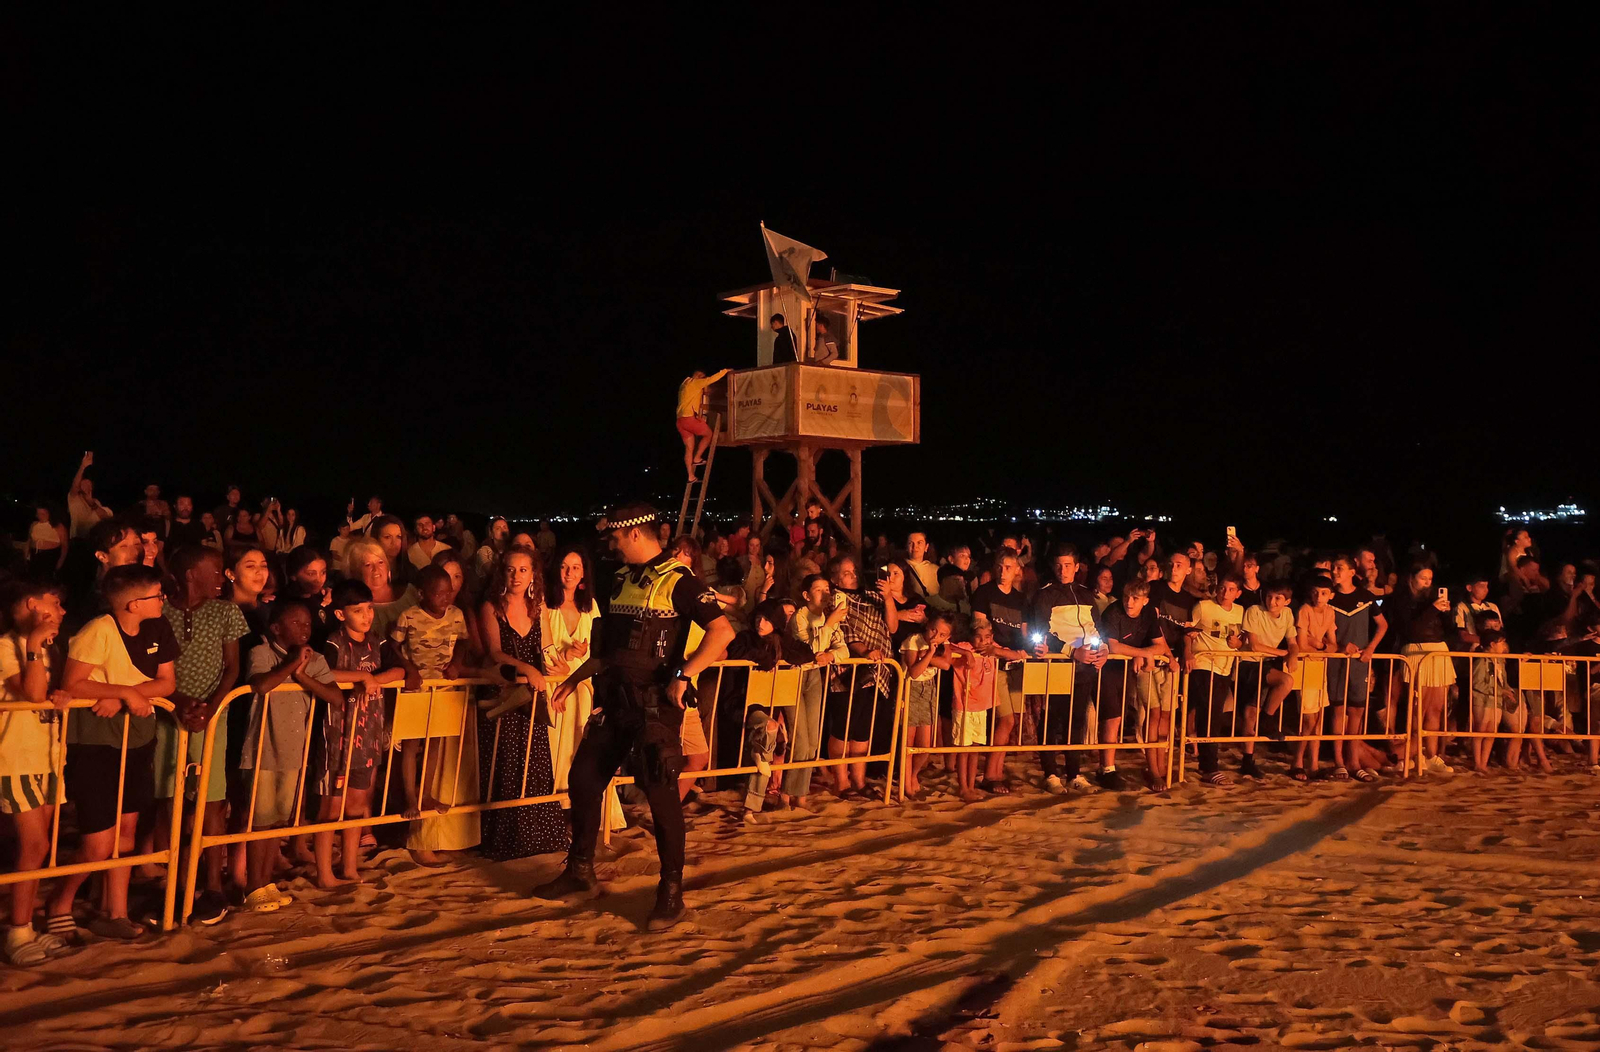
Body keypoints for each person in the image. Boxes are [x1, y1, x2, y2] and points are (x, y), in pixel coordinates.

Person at [534, 503, 734, 931]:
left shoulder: (680, 582)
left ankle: (671, 892)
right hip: (618, 703)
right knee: (585, 778)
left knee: (662, 797)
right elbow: (609, 651)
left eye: (617, 538)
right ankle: (580, 871)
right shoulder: (621, 579)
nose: (612, 545)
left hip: (655, 709)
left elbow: (723, 631)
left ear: (636, 535)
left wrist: (685, 673)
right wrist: (575, 679)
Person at [50, 564, 177, 941]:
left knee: (125, 832)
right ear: (135, 604)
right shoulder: (98, 631)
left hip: (137, 734)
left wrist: (119, 692)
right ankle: (59, 902)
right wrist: (125, 693)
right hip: (96, 741)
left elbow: (168, 683)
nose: (162, 600)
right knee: (97, 841)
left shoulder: (157, 627)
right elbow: (72, 683)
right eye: (157, 595)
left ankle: (115, 912)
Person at [155, 546, 248, 925]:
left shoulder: (226, 611)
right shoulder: (160, 611)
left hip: (212, 715)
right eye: (215, 570)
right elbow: (152, 666)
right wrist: (178, 702)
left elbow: (232, 668)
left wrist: (210, 707)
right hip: (167, 713)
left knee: (211, 799)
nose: (222, 577)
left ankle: (212, 885)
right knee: (168, 797)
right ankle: (176, 884)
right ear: (191, 573)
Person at [239, 599, 343, 911]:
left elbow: (336, 697)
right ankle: (253, 886)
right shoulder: (261, 651)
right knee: (259, 824)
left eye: (308, 623)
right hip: (261, 751)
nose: (305, 628)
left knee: (277, 824)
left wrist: (302, 675)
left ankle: (266, 881)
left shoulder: (316, 659)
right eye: (296, 623)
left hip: (294, 753)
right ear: (276, 628)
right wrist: (292, 664)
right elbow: (260, 685)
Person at [477, 545, 572, 861]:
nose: (516, 576)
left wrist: (561, 665)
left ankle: (539, 837)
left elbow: (544, 647)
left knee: (535, 763)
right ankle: (506, 840)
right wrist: (527, 668)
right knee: (505, 765)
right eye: (511, 569)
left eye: (523, 570)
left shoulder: (538, 607)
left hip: (533, 696)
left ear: (533, 575)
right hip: (505, 696)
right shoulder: (492, 607)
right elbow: (495, 651)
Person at [0, 580, 77, 965]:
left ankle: (26, 926)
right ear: (33, 604)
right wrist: (32, 647)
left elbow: (46, 694)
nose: (62, 611)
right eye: (56, 603)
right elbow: (30, 693)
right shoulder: (5, 647)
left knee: (41, 846)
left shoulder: (50, 648)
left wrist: (60, 694)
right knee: (33, 846)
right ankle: (17, 931)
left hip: (47, 755)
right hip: (16, 758)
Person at [316, 580, 405, 887]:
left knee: (356, 805)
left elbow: (400, 670)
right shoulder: (332, 643)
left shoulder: (378, 643)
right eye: (358, 610)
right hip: (337, 737)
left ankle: (350, 867)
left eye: (369, 608)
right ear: (340, 614)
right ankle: (325, 873)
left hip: (367, 736)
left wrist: (374, 679)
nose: (367, 616)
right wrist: (362, 678)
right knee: (331, 806)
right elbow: (324, 673)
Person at [391, 565, 476, 864]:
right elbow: (392, 644)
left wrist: (457, 662)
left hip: (442, 688)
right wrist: (409, 669)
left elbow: (464, 640)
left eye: (448, 592)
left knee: (436, 742)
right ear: (422, 593)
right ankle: (411, 798)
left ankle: (425, 793)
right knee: (412, 746)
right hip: (416, 689)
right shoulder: (409, 616)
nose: (444, 598)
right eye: (438, 593)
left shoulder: (456, 615)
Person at [827, 555, 898, 797]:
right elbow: (843, 631)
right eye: (847, 573)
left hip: (875, 671)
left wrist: (888, 597)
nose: (853, 576)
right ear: (835, 577)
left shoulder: (872, 598)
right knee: (843, 727)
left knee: (862, 729)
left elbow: (892, 626)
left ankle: (859, 781)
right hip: (846, 672)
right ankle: (841, 782)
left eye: (854, 571)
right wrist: (865, 651)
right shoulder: (834, 599)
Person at [1099, 579, 1173, 790]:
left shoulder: (1149, 613)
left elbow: (1160, 644)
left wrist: (1151, 654)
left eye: (1135, 599)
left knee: (1127, 716)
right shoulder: (1113, 613)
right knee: (1112, 717)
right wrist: (1143, 653)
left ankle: (1157, 768)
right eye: (1126, 597)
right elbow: (1113, 646)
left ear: (1145, 601)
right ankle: (1107, 769)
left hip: (1131, 669)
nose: (1129, 603)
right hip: (1107, 668)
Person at [1386, 562, 1457, 775]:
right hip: (1416, 651)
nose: (1427, 583)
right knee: (1419, 707)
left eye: (1430, 579)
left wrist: (1445, 612)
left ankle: (1432, 755)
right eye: (1423, 578)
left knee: (1435, 708)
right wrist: (1433, 609)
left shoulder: (1431, 599)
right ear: (1411, 578)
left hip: (1438, 650)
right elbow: (1411, 629)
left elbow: (1450, 630)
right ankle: (1415, 754)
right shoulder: (1401, 600)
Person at [541, 547, 601, 797]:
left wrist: (584, 650)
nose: (569, 572)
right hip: (555, 682)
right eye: (565, 565)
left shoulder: (590, 606)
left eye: (576, 567)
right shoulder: (546, 604)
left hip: (583, 685)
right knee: (556, 744)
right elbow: (543, 647)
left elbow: (598, 649)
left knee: (579, 743)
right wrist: (564, 658)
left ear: (584, 573)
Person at [785, 572, 847, 809]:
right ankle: (787, 793)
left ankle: (800, 795)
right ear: (806, 594)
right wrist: (829, 625)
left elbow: (842, 649)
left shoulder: (828, 618)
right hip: (794, 675)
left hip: (813, 676)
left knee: (811, 742)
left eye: (827, 589)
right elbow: (808, 650)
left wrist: (831, 654)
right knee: (800, 739)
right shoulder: (800, 617)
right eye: (819, 589)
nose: (825, 593)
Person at [969, 549, 1026, 792]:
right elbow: (980, 634)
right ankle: (990, 775)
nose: (1004, 572)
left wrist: (1030, 649)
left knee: (1011, 722)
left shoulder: (1021, 600)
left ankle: (996, 771)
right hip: (993, 665)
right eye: (1000, 567)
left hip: (1012, 663)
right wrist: (1005, 652)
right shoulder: (984, 593)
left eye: (1009, 567)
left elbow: (1023, 635)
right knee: (1005, 719)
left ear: (1017, 571)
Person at [1328, 555, 1388, 781]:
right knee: (1337, 711)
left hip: (1359, 663)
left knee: (1356, 711)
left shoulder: (1366, 597)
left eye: (1340, 568)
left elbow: (1382, 625)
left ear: (1352, 571)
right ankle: (1339, 762)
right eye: (1334, 568)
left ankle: (1354, 762)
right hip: (1336, 661)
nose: (1335, 571)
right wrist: (1340, 646)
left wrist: (1370, 648)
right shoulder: (1329, 597)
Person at [1188, 572, 1247, 787]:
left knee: (1214, 714)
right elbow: (1188, 632)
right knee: (1210, 714)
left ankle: (1206, 761)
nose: (1225, 592)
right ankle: (1210, 767)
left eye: (1231, 589)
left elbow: (1241, 641)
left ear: (1238, 593)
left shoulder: (1240, 612)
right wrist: (1187, 654)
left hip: (1225, 666)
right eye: (1223, 588)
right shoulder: (1203, 607)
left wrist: (1237, 644)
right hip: (1203, 663)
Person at [1239, 583, 1300, 778]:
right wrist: (1284, 653)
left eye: (1277, 598)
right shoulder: (1254, 611)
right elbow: (1254, 645)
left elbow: (1293, 643)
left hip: (1265, 663)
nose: (1271, 602)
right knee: (1285, 681)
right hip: (1248, 663)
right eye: (1269, 597)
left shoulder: (1288, 614)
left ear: (1287, 602)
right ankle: (1269, 719)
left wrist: (1292, 654)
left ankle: (1247, 759)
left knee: (1251, 712)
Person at [899, 611, 953, 798]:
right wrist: (929, 654)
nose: (935, 636)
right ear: (928, 625)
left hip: (928, 690)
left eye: (942, 634)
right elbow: (914, 671)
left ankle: (913, 774)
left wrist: (927, 657)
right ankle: (906, 784)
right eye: (933, 630)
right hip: (910, 689)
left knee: (925, 745)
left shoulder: (943, 645)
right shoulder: (913, 640)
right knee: (908, 742)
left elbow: (947, 665)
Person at [1292, 577, 1340, 782]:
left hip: (1319, 665)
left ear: (1331, 595)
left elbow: (1334, 645)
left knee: (1318, 718)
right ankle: (1297, 762)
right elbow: (1302, 645)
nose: (1318, 597)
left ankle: (1313, 764)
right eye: (1315, 592)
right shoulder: (1304, 610)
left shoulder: (1330, 612)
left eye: (1323, 593)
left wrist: (1319, 645)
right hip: (1305, 665)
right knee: (1308, 718)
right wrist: (1321, 646)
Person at [948, 620, 1000, 802]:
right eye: (978, 637)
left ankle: (970, 786)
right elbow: (946, 646)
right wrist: (966, 653)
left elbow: (1012, 653)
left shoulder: (991, 648)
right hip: (964, 704)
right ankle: (963, 787)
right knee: (963, 748)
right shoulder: (964, 646)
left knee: (975, 748)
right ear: (971, 637)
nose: (983, 641)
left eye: (987, 637)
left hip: (982, 705)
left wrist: (995, 650)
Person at [676, 368, 730, 481]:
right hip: (689, 419)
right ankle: (697, 458)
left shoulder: (684, 385)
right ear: (698, 376)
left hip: (680, 421)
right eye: (701, 376)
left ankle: (690, 476)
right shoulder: (695, 383)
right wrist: (724, 371)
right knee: (708, 434)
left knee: (689, 448)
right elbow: (711, 379)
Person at [66, 452, 113, 539]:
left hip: (94, 538)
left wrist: (91, 502)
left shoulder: (95, 501)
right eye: (83, 484)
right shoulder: (74, 498)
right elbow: (75, 485)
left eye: (89, 485)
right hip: (78, 538)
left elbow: (106, 518)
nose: (86, 486)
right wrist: (83, 466)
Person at [26, 504, 68, 580]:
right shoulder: (34, 525)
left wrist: (60, 563)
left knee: (47, 582)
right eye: (38, 514)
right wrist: (26, 557)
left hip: (50, 557)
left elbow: (64, 547)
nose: (40, 516)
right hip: (35, 556)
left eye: (43, 514)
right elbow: (29, 542)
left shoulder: (58, 526)